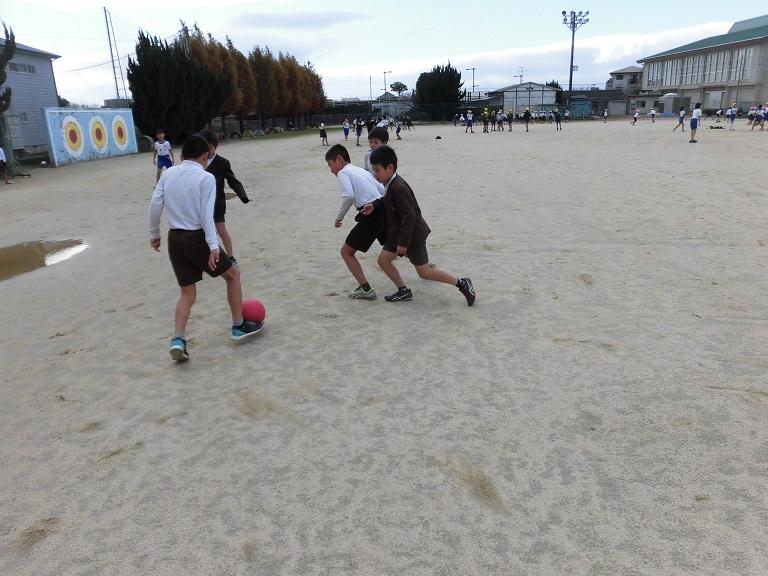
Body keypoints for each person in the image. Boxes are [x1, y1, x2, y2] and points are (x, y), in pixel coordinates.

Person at [148, 134, 263, 362]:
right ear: (205, 156)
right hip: (197, 238)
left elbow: (154, 204)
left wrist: (154, 234)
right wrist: (213, 246)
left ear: (181, 155)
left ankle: (178, 339)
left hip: (175, 239)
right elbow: (206, 215)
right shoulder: (205, 177)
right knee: (233, 275)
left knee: (187, 293)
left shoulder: (168, 174)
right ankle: (238, 326)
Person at [360, 146, 475, 306]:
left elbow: (409, 217)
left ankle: (462, 283)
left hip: (411, 236)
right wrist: (374, 204)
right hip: (398, 233)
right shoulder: (391, 183)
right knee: (383, 261)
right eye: (373, 170)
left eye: (377, 170)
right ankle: (403, 290)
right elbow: (387, 199)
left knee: (424, 272)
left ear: (390, 167)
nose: (375, 174)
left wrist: (403, 244)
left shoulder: (399, 187)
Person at [325, 144, 386, 300]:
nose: (331, 170)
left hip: (370, 214)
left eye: (330, 165)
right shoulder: (361, 170)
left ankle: (365, 289)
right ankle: (423, 265)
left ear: (339, 159)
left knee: (346, 252)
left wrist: (339, 217)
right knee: (393, 244)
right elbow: (382, 190)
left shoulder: (343, 172)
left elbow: (349, 196)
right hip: (382, 210)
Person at [199, 130, 249, 268]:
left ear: (215, 147)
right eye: (204, 148)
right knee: (203, 231)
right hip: (201, 203)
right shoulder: (198, 162)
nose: (207, 152)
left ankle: (231, 257)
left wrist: (242, 195)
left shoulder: (223, 162)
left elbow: (233, 181)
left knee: (221, 229)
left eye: (210, 148)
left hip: (217, 202)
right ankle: (208, 258)